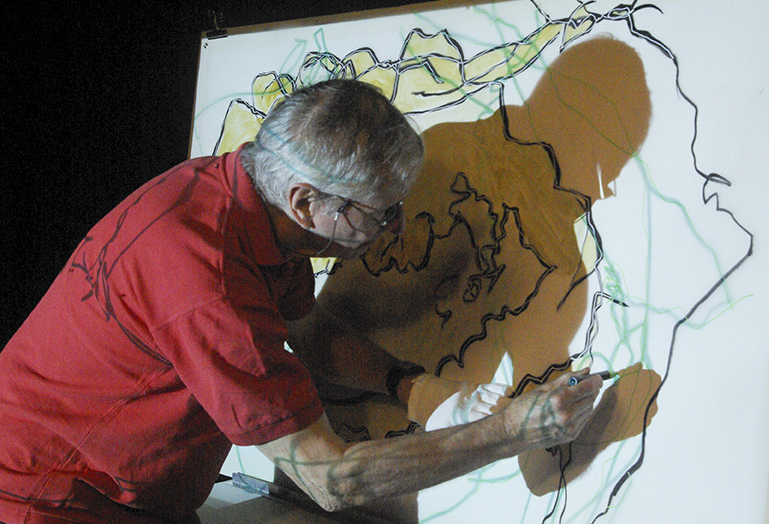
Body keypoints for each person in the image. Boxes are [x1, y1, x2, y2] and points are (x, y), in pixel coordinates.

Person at [0, 79, 602, 523]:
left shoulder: (239, 194)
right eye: (380, 212)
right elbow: (331, 478)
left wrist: (413, 389)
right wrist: (511, 434)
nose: (395, 229)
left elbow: (306, 333)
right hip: (51, 496)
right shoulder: (206, 280)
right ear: (307, 203)